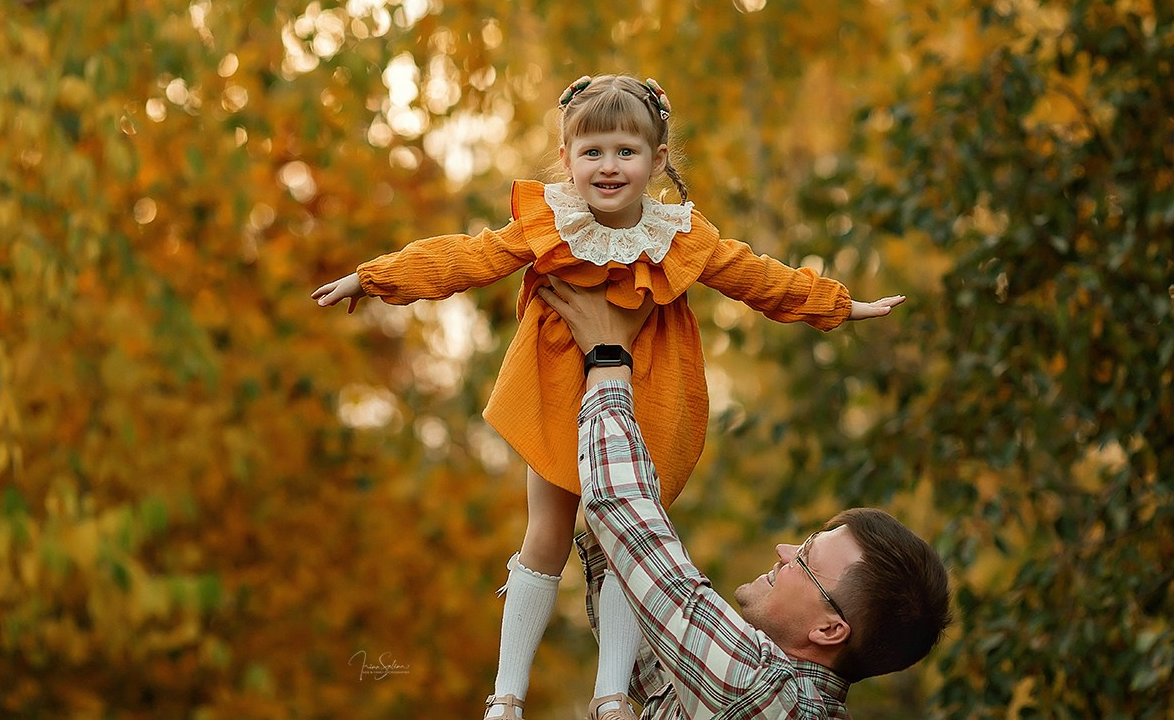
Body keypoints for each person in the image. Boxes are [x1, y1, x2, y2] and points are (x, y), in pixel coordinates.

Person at [311, 74, 906, 720]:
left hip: (648, 391)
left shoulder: (681, 236)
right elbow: (464, 257)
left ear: (656, 161)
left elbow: (760, 277)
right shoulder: (549, 223)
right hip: (556, 387)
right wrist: (372, 278)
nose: (609, 165)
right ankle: (506, 694)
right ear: (566, 159)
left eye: (626, 150)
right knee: (547, 532)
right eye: (591, 151)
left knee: (625, 540)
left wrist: (841, 306)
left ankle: (613, 695)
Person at [536, 277, 952, 719]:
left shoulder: (772, 697)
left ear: (829, 629)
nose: (783, 551)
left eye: (805, 559)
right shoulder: (753, 699)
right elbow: (648, 655)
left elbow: (632, 526)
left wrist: (607, 356)